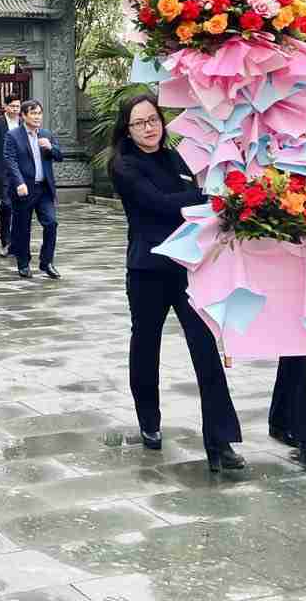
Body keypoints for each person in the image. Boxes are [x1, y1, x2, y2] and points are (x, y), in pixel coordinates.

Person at [110, 92, 245, 473]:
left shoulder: (177, 157)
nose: (148, 128)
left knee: (205, 350)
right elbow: (162, 203)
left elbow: (193, 193)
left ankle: (220, 442)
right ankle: (149, 421)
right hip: (147, 271)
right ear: (127, 129)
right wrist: (203, 196)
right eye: (139, 123)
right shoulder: (123, 166)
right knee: (145, 345)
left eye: (153, 119)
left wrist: (202, 196)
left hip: (188, 269)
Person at [2, 99, 63, 280]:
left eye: (39, 113)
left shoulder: (46, 134)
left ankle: (47, 262)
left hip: (44, 189)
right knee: (22, 228)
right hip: (24, 190)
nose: (37, 117)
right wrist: (19, 182)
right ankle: (23, 263)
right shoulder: (13, 136)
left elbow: (60, 156)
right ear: (23, 116)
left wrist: (50, 147)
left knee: (51, 223)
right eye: (33, 113)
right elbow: (10, 160)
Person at [0, 95, 23, 252]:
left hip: (21, 170)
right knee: (6, 204)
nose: (15, 109)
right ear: (5, 106)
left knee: (20, 206)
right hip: (2, 170)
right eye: (12, 106)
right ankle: (6, 241)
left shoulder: (23, 122)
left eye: (17, 106)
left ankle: (17, 240)